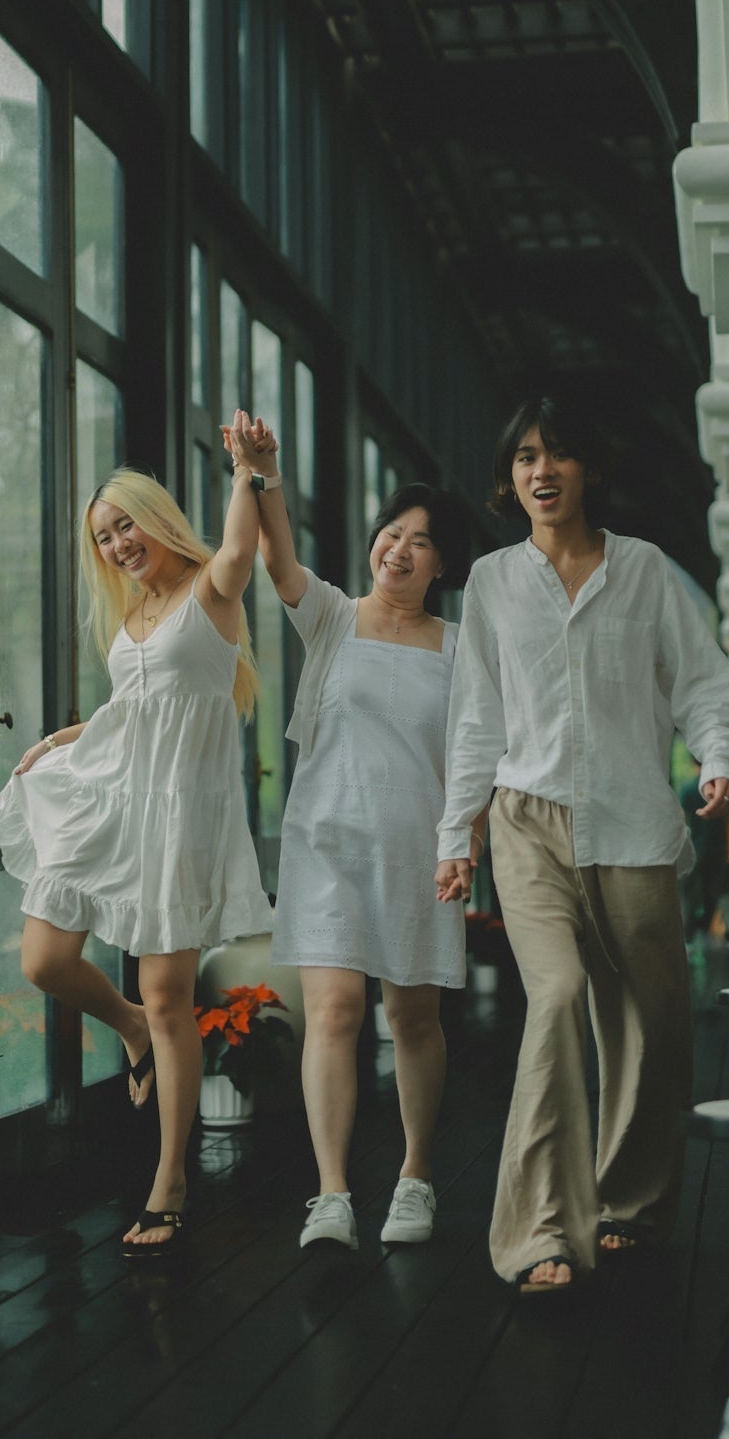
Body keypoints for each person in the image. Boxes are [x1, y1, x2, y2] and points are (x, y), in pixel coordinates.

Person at [434, 392, 729, 1295]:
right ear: (510, 477)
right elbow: (475, 719)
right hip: (527, 820)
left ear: (589, 469)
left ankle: (630, 1206)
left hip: (633, 821)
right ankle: (538, 1228)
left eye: (560, 453)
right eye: (527, 455)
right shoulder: (492, 582)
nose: (543, 470)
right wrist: (457, 832)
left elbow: (702, 680)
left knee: (647, 1022)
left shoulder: (644, 569)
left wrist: (719, 758)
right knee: (559, 994)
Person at [0, 428, 273, 1254]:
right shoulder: (132, 610)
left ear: (157, 518)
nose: (117, 545)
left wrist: (249, 472)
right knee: (44, 958)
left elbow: (240, 547)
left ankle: (169, 1181)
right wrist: (60, 737)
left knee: (169, 994)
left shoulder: (211, 590)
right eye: (105, 537)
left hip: (181, 814)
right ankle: (131, 1027)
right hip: (114, 796)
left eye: (125, 525)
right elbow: (136, 712)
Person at [225, 413, 482, 1253]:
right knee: (333, 1010)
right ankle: (332, 1192)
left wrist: (466, 838)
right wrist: (261, 472)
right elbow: (277, 561)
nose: (398, 550)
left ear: (442, 564)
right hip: (327, 841)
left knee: (412, 1016)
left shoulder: (459, 648)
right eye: (391, 532)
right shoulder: (333, 616)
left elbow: (477, 753)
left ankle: (414, 1175)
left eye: (420, 541)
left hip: (418, 850)